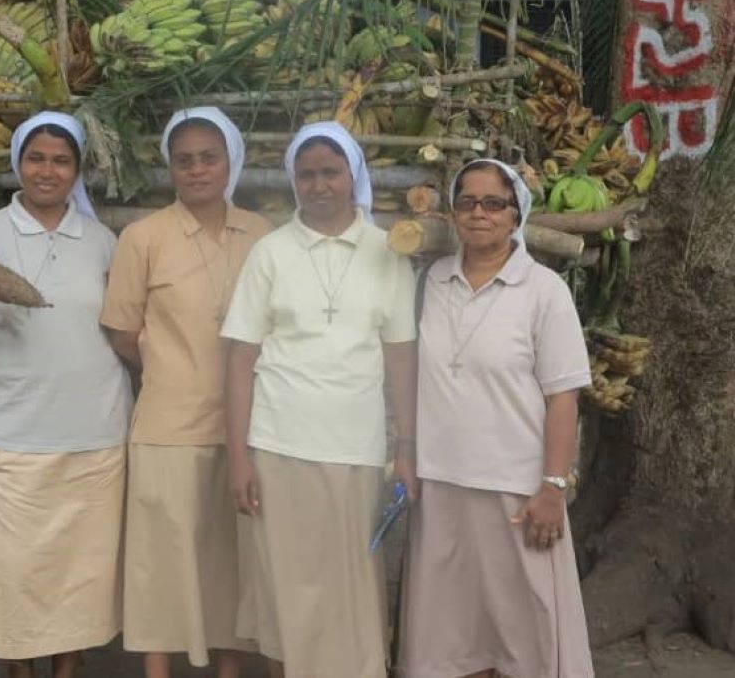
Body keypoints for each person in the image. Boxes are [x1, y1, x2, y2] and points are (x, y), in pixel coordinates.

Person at [222, 121, 418, 678]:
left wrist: (407, 446)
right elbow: (239, 358)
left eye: (330, 172)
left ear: (352, 176)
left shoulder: (388, 251)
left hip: (355, 448)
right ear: (293, 181)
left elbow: (402, 356)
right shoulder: (270, 253)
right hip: (276, 443)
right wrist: (239, 458)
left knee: (349, 591)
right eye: (306, 174)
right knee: (286, 586)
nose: (319, 185)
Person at [0, 111, 132, 678]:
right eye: (36, 158)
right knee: (15, 574)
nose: (47, 171)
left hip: (94, 435)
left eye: (60, 160)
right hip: (14, 438)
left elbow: (125, 331)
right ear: (17, 164)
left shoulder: (103, 242)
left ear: (77, 171)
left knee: (80, 575)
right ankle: (20, 672)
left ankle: (67, 671)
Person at [396, 158, 594, 678]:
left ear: (516, 215)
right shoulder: (431, 281)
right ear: (453, 212)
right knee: (453, 635)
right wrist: (408, 452)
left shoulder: (544, 290)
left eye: (493, 203)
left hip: (517, 490)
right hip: (442, 486)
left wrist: (553, 486)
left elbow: (563, 398)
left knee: (523, 635)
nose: (479, 213)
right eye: (467, 201)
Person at [100, 107, 272, 678]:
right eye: (184, 161)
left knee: (233, 563)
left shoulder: (264, 235)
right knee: (162, 567)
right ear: (170, 168)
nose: (197, 170)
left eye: (208, 158)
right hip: (168, 427)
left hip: (249, 430)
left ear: (230, 161)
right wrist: (172, 369)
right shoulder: (143, 237)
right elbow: (123, 331)